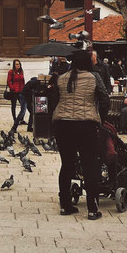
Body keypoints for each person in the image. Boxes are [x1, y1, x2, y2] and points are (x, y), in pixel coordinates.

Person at [50, 50, 110, 220]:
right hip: (86, 125)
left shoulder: (61, 78)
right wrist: (100, 119)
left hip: (63, 125)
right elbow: (105, 100)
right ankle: (92, 209)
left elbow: (54, 100)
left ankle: (65, 205)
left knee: (67, 165)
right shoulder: (94, 77)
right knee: (89, 165)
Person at [7, 59, 27, 133]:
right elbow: (9, 81)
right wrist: (13, 88)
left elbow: (23, 81)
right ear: (14, 65)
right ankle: (15, 119)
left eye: (19, 64)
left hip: (21, 91)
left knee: (23, 106)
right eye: (16, 64)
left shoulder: (21, 71)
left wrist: (23, 89)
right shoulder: (11, 72)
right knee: (14, 105)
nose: (18, 65)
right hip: (14, 91)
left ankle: (21, 119)